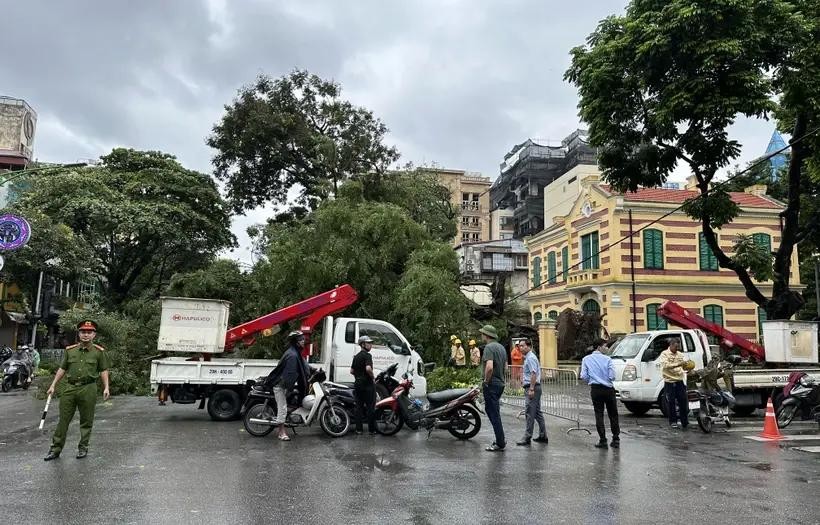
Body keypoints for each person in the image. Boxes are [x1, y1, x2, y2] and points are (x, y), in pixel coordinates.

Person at [44, 320, 110, 461]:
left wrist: (106, 387)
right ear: (79, 334)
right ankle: (55, 449)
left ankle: (83, 448)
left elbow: (103, 370)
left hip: (88, 388)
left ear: (94, 335)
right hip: (70, 388)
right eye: (83, 332)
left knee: (86, 420)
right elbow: (62, 369)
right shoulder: (70, 350)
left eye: (89, 332)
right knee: (63, 420)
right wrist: (53, 385)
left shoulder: (99, 352)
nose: (86, 335)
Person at [263, 330, 310, 441]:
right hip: (280, 385)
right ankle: (281, 432)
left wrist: (314, 370)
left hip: (284, 384)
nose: (303, 341)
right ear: (296, 342)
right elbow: (289, 375)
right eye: (301, 339)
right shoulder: (292, 355)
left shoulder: (295, 353)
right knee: (283, 407)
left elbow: (304, 365)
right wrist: (288, 389)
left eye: (303, 339)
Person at [580, 338, 620, 449]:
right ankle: (616, 439)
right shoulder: (608, 360)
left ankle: (603, 439)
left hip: (596, 389)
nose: (607, 348)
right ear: (599, 347)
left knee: (599, 414)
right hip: (608, 389)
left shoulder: (586, 359)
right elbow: (612, 376)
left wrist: (592, 380)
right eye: (605, 346)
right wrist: (606, 378)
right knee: (613, 414)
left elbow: (583, 376)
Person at [480, 325, 507, 452]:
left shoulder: (489, 348)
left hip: (491, 384)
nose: (481, 335)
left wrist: (486, 381)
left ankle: (500, 442)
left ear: (486, 335)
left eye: (482, 333)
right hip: (500, 383)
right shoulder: (501, 347)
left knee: (493, 413)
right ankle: (500, 439)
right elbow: (506, 367)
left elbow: (489, 367)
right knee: (492, 411)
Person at [516, 339, 547, 446]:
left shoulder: (530, 358)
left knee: (529, 413)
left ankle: (527, 436)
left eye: (522, 346)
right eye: (519, 346)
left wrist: (531, 389)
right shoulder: (528, 357)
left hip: (532, 387)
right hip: (533, 387)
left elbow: (534, 373)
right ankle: (543, 435)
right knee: (537, 413)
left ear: (528, 346)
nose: (520, 348)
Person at [660, 340, 689, 429]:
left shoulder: (680, 354)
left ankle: (685, 421)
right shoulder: (664, 354)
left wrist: (688, 365)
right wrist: (679, 364)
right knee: (671, 402)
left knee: (683, 401)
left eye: (678, 347)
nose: (677, 349)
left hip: (679, 381)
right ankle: (673, 421)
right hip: (669, 382)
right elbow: (666, 366)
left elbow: (684, 366)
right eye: (676, 347)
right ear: (671, 345)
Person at [351, 335, 377, 435]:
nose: (371, 345)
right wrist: (373, 377)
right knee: (371, 406)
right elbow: (368, 369)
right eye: (368, 343)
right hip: (367, 384)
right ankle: (372, 430)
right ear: (362, 344)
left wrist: (358, 378)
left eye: (371, 343)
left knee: (359, 407)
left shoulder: (356, 356)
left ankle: (359, 429)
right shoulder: (367, 355)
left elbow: (352, 371)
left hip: (358, 384)